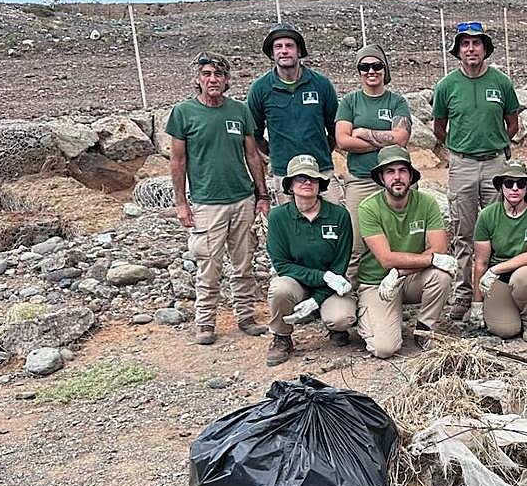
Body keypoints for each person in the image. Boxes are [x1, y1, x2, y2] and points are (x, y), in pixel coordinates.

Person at [167, 52, 270, 345]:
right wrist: (181, 202)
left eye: (219, 75)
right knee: (208, 265)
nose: (213, 79)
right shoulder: (183, 113)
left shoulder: (239, 111)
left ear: (226, 80)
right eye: (207, 74)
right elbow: (178, 161)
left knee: (244, 262)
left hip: (241, 199)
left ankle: (246, 316)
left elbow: (252, 154)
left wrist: (261, 195)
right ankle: (206, 322)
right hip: (206, 202)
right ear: (197, 79)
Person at [432, 22, 521, 320]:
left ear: (485, 48)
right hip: (463, 165)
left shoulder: (501, 82)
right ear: (457, 50)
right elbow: (440, 128)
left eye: (476, 43)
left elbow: (513, 123)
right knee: (463, 231)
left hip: (496, 163)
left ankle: (497, 289)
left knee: (500, 227)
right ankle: (463, 293)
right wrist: (462, 151)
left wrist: (495, 144)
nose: (471, 49)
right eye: (465, 44)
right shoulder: (446, 86)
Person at [355, 146, 457, 358]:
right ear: (381, 178)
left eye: (403, 170)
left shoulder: (427, 202)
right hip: (377, 282)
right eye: (390, 172)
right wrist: (428, 259)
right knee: (384, 349)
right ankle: (368, 316)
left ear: (411, 176)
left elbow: (439, 249)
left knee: (441, 274)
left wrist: (400, 272)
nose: (397, 177)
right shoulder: (368, 207)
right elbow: (386, 259)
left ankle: (424, 329)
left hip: (409, 277)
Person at [264, 154, 357, 366]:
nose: (307, 182)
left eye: (313, 178)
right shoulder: (278, 217)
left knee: (342, 318)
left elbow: (340, 266)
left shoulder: (339, 216)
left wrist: (318, 298)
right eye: (300, 178)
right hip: (298, 282)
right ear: (289, 185)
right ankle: (281, 336)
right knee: (280, 289)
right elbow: (282, 265)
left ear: (320, 184)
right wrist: (323, 276)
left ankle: (332, 326)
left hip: (331, 285)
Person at [334, 44, 411, 271]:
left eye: (376, 65)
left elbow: (401, 138)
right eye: (364, 66)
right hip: (361, 180)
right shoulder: (350, 101)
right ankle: (352, 291)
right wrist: (384, 143)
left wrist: (363, 133)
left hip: (395, 180)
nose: (371, 71)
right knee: (356, 243)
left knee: (398, 237)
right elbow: (343, 141)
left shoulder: (397, 102)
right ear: (358, 71)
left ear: (384, 69)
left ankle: (401, 287)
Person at [246, 23, 341, 204]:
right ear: (272, 54)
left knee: (333, 223)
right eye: (278, 47)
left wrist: (321, 151)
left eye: (289, 46)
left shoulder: (321, 84)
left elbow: (334, 127)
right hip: (285, 173)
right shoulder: (260, 88)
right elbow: (255, 134)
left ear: (299, 51)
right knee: (291, 227)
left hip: (321, 170)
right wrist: (275, 154)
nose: (284, 51)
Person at [471, 161, 527, 343]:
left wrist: (495, 270)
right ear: (501, 187)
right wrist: (476, 303)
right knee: (506, 329)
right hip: (499, 279)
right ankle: (512, 307)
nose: (515, 188)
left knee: (524, 278)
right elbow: (481, 262)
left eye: (521, 184)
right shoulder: (487, 215)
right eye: (509, 183)